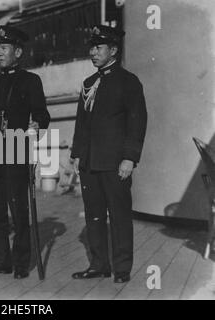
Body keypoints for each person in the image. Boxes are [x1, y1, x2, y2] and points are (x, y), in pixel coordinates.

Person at [69, 25, 147, 283]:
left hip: (115, 164)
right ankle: (99, 265)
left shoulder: (128, 82)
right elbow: (81, 123)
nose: (93, 52)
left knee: (120, 216)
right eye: (91, 47)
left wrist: (129, 158)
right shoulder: (88, 84)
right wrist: (77, 154)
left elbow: (137, 122)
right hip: (90, 164)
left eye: (98, 47)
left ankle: (121, 269)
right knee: (94, 216)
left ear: (113, 50)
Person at [0, 25, 50, 279]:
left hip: (17, 148)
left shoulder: (31, 81)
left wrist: (36, 125)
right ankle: (0, 260)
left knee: (19, 210)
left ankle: (20, 263)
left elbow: (42, 114)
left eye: (3, 48)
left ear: (18, 52)